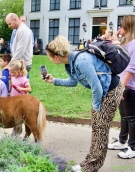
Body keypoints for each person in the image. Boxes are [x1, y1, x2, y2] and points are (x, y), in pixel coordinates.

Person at [44, 36, 122, 172]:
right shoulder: (69, 63)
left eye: (49, 57)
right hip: (101, 92)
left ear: (56, 56)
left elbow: (96, 87)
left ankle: (90, 167)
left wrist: (97, 108)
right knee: (96, 128)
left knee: (101, 129)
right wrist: (54, 81)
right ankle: (88, 163)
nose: (49, 59)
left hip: (110, 90)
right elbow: (73, 82)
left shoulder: (81, 61)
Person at [108, 15, 135, 159]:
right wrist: (118, 39)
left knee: (131, 118)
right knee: (124, 116)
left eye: (122, 26)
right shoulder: (126, 43)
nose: (119, 28)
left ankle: (133, 147)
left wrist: (122, 87)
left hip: (130, 86)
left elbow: (132, 68)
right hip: (123, 84)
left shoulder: (134, 44)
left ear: (129, 27)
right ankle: (122, 141)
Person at [8, 59, 31, 135]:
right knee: (14, 117)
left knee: (19, 118)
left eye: (12, 72)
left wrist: (21, 89)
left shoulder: (24, 79)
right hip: (14, 101)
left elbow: (29, 89)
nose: (10, 73)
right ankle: (15, 133)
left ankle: (18, 134)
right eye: (10, 71)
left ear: (18, 71)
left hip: (21, 103)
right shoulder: (13, 77)